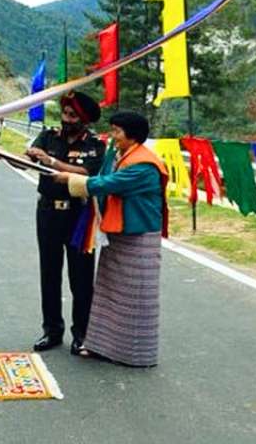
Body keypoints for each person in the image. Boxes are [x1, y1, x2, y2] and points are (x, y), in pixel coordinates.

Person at [53, 111, 167, 367]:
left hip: (138, 235)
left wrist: (69, 178)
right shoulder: (119, 155)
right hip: (119, 231)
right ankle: (104, 346)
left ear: (133, 135)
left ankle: (136, 353)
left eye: (117, 131)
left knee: (135, 296)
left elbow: (107, 184)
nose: (113, 136)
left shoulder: (144, 164)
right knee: (110, 292)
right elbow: (103, 176)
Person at [24, 91, 105, 356]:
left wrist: (52, 162)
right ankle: (52, 330)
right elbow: (28, 158)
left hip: (78, 215)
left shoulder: (95, 144)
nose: (67, 119)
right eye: (65, 113)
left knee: (81, 278)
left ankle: (82, 334)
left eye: (73, 115)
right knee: (49, 272)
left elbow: (86, 173)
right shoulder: (48, 135)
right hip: (47, 212)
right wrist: (3, 155)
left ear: (85, 120)